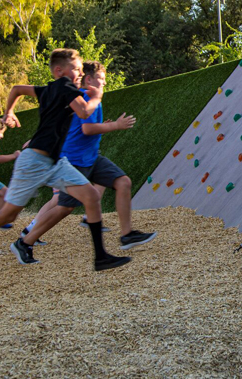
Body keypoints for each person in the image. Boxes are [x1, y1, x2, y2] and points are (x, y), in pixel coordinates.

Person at [0, 48, 130, 283]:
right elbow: (83, 112)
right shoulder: (65, 86)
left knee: (90, 196)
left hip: (54, 161)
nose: (80, 73)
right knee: (7, 214)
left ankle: (101, 257)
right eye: (77, 69)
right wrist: (97, 97)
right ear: (60, 71)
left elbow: (16, 89)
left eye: (81, 69)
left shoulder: (50, 89)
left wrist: (9, 111)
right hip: (35, 161)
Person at [17, 61, 155, 256]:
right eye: (101, 79)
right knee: (64, 207)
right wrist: (115, 125)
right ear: (88, 79)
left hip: (91, 158)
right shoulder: (85, 98)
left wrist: (104, 125)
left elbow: (82, 129)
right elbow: (87, 128)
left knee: (123, 182)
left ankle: (127, 235)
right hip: (74, 162)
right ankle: (26, 241)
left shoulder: (89, 99)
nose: (104, 83)